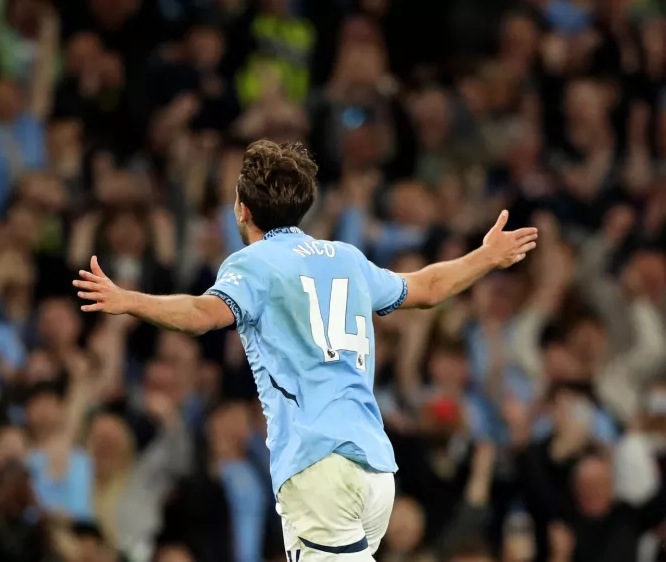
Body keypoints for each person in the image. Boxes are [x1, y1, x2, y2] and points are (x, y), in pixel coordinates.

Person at [73, 140, 539, 560]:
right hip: (375, 470)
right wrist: (486, 256)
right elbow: (428, 287)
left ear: (241, 210)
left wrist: (129, 299)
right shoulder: (346, 257)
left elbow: (202, 314)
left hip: (321, 469)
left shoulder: (252, 263)